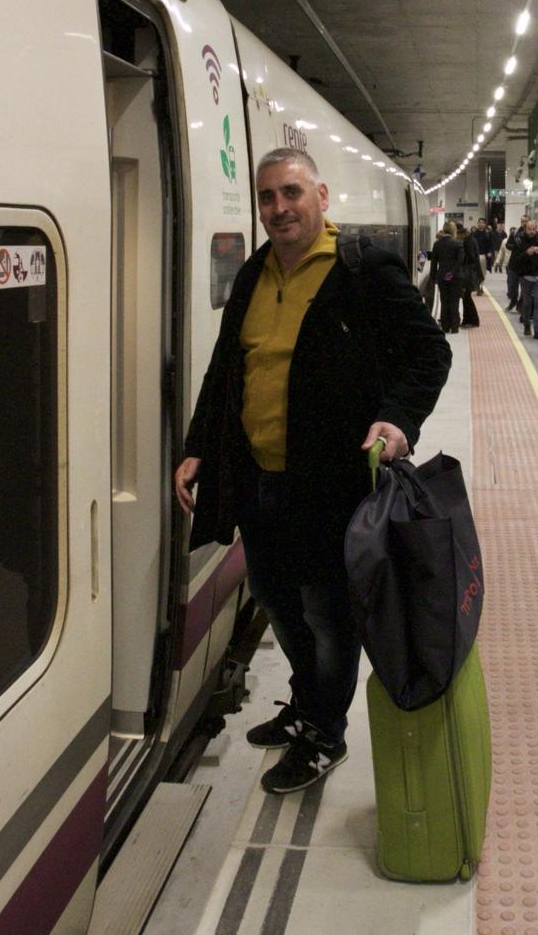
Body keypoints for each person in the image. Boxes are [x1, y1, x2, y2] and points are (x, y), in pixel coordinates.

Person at [174, 148, 450, 794]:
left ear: (321, 196)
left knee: (328, 616)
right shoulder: (252, 274)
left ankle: (326, 732)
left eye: (291, 192)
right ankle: (305, 703)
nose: (278, 208)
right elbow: (225, 370)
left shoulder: (363, 270)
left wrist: (398, 419)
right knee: (275, 600)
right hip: (258, 480)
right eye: (267, 197)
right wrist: (197, 445)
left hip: (331, 489)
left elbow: (428, 353)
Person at [510, 216, 538, 338]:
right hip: (525, 277)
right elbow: (514, 261)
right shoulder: (519, 241)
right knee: (527, 303)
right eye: (529, 229)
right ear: (525, 229)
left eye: (534, 229)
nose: (532, 231)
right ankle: (527, 325)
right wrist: (526, 254)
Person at [431, 221, 469, 333]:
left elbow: (434, 263)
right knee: (454, 302)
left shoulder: (437, 244)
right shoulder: (458, 243)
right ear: (454, 230)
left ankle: (445, 326)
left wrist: (433, 278)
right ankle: (455, 327)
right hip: (455, 277)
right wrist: (451, 273)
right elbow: (460, 262)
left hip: (442, 276)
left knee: (444, 301)